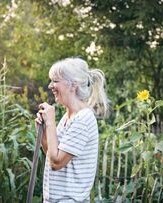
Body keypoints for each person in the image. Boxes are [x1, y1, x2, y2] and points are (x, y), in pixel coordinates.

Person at [35, 57, 109, 203]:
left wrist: (50, 123)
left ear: (72, 85)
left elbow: (56, 163)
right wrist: (43, 132)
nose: (50, 86)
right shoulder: (68, 116)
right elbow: (51, 153)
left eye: (55, 81)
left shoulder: (83, 119)